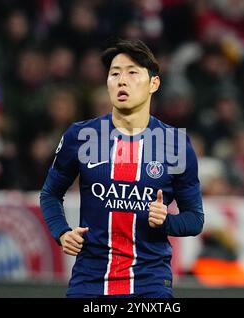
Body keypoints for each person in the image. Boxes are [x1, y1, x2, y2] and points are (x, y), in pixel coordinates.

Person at [40, 39, 204, 298]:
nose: (121, 80)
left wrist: (166, 222)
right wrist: (62, 232)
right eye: (114, 73)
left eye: (132, 73)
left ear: (154, 84)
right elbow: (50, 194)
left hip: (149, 284)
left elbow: (195, 219)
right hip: (90, 281)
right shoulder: (82, 135)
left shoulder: (175, 144)